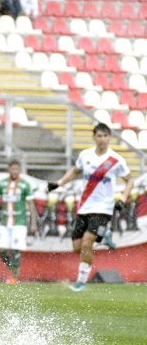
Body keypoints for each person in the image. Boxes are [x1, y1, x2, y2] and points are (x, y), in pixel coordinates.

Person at [47, 123, 134, 291]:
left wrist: (123, 197)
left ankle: (80, 282)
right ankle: (104, 234)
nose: (102, 139)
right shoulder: (85, 155)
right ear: (94, 137)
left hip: (103, 208)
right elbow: (75, 171)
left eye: (105, 136)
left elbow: (130, 179)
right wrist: (58, 183)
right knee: (77, 247)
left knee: (87, 243)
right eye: (99, 136)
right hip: (84, 207)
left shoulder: (116, 160)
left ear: (110, 138)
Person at [0, 160, 38, 284]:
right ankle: (12, 269)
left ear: (19, 170)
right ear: (9, 169)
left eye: (17, 169)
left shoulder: (25, 185)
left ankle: (14, 276)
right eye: (13, 169)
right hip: (5, 222)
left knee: (15, 249)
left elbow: (31, 204)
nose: (15, 171)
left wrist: (33, 222)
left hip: (19, 222)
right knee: (1, 249)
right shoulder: (3, 184)